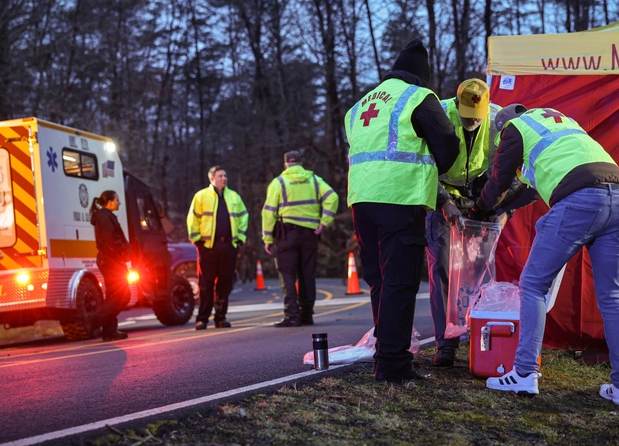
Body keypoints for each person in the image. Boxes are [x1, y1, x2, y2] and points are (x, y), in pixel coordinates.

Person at [475, 104, 619, 407]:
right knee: (613, 297)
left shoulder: (514, 129)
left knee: (533, 285)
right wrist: (505, 206)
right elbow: (532, 189)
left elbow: (498, 181)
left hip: (581, 198)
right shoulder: (558, 123)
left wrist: (480, 209)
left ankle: (523, 373)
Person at [345, 38, 459, 383]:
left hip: (362, 200)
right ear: (420, 77)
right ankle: (393, 364)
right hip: (401, 198)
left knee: (379, 281)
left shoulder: (361, 103)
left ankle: (386, 354)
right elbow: (448, 143)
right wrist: (439, 176)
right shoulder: (418, 97)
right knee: (400, 281)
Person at [426, 78, 501, 367]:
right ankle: (446, 344)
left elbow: (508, 167)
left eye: (476, 120)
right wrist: (443, 200)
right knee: (442, 266)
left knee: (480, 268)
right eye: (466, 118)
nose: (472, 124)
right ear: (456, 105)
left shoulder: (496, 120)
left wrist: (498, 206)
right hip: (440, 191)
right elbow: (421, 162)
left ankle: (480, 338)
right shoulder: (438, 115)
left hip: (478, 195)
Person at [262, 150, 339, 327]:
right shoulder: (314, 180)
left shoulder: (279, 183)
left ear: (285, 164)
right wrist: (324, 222)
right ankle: (307, 315)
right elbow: (332, 197)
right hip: (309, 235)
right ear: (301, 163)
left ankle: (292, 316)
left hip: (286, 234)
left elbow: (268, 212)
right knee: (307, 274)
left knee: (287, 275)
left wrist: (267, 238)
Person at [187, 166, 249, 329]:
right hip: (207, 247)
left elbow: (244, 216)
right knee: (205, 284)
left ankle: (220, 318)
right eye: (220, 176)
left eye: (225, 175)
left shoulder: (234, 196)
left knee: (225, 283)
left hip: (228, 246)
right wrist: (197, 241)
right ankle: (202, 319)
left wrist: (240, 239)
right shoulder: (201, 196)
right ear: (212, 178)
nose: (224, 178)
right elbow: (192, 219)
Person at [90, 190, 131, 342]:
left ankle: (109, 331)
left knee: (114, 296)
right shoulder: (104, 216)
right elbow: (111, 239)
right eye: (117, 200)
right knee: (123, 295)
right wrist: (122, 251)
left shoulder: (104, 216)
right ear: (110, 201)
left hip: (110, 260)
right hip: (112, 261)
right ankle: (97, 320)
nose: (119, 202)